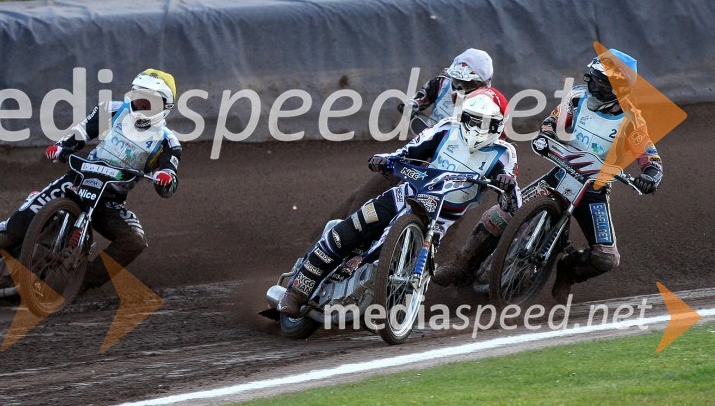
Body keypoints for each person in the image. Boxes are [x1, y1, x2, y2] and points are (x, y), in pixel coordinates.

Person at [433, 49, 663, 301]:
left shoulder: (632, 120)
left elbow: (649, 157)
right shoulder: (577, 98)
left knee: (605, 258)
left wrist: (651, 176)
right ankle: (462, 266)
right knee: (500, 214)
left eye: (602, 84)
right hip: (562, 172)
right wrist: (548, 133)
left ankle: (567, 270)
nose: (594, 87)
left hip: (594, 188)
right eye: (593, 79)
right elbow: (551, 122)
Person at [278, 87, 520, 318]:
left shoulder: (504, 153)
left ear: (499, 124)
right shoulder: (447, 129)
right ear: (463, 116)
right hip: (403, 195)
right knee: (349, 230)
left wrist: (507, 186)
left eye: (485, 123)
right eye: (472, 120)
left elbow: (514, 202)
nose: (477, 128)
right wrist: (386, 160)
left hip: (438, 220)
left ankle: (378, 294)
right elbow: (408, 151)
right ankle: (296, 291)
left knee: (395, 260)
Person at [0, 69, 182, 295]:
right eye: (138, 98)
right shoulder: (112, 109)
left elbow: (169, 179)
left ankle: (81, 284)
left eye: (149, 102)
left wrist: (164, 179)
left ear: (165, 106)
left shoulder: (168, 142)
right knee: (21, 219)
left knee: (134, 241)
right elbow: (82, 131)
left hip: (109, 199)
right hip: (77, 180)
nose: (141, 106)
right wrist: (62, 146)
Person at [329, 49, 495, 222]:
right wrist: (412, 105)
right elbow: (420, 99)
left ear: (482, 84)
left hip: (456, 160)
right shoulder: (441, 84)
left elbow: (493, 140)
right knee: (383, 178)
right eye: (457, 80)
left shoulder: (490, 104)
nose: (459, 87)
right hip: (426, 143)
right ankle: (347, 219)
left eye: (467, 83)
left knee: (450, 206)